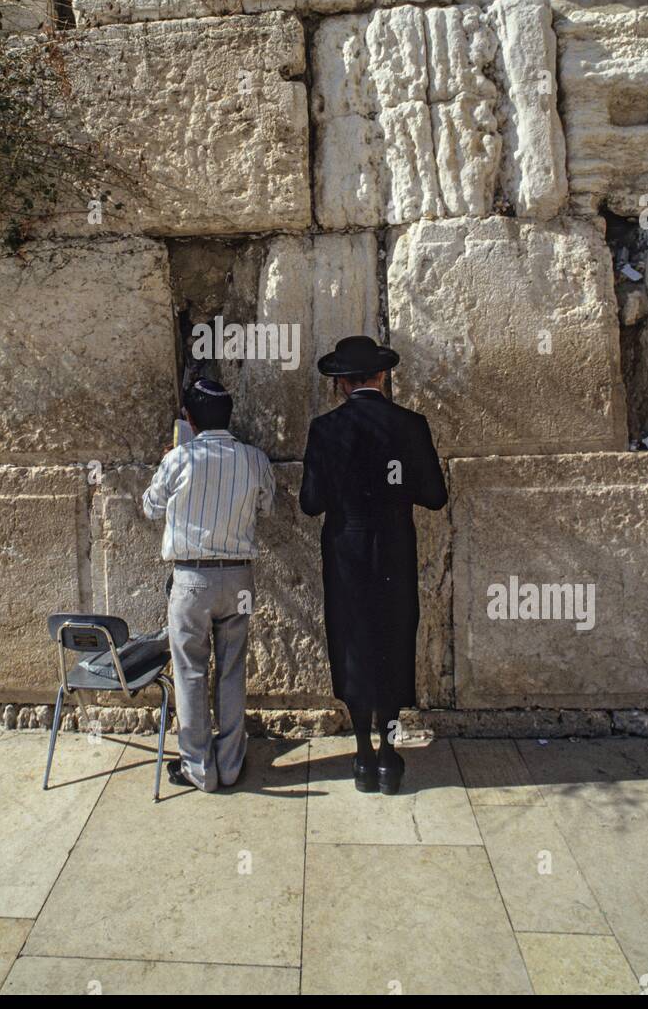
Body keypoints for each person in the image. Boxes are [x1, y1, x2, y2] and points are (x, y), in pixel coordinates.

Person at [299, 336, 447, 794]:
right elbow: (435, 496)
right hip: (395, 549)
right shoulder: (411, 425)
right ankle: (388, 755)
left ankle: (362, 755)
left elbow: (310, 503)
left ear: (341, 382)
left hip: (347, 552)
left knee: (354, 641)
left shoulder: (325, 430)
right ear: (381, 376)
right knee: (392, 637)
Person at [142, 377, 275, 792]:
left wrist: (169, 460)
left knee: (191, 672)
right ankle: (231, 764)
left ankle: (199, 767)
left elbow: (149, 508)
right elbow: (267, 507)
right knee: (233, 670)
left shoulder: (179, 459)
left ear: (189, 418)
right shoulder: (254, 458)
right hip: (239, 577)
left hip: (192, 578)